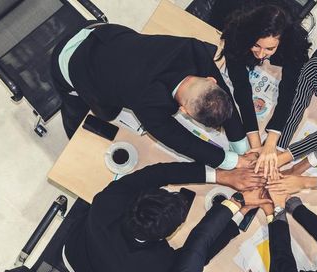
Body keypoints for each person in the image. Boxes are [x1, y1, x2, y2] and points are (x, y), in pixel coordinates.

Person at [50, 23, 254, 170]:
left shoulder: (193, 49)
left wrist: (242, 146)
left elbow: (222, 95)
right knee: (86, 111)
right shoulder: (147, 102)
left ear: (211, 80)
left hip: (102, 31)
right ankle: (72, 136)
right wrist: (231, 161)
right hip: (72, 63)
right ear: (183, 111)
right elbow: (180, 141)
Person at [62, 162, 265, 272]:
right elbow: (199, 252)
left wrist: (222, 176)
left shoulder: (108, 202)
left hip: (73, 248)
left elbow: (156, 174)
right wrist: (242, 209)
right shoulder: (154, 266)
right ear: (163, 236)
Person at [218, 1, 310, 149]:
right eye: (255, 45)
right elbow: (241, 86)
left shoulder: (293, 43)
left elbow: (288, 91)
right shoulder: (238, 31)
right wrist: (255, 144)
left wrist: (271, 143)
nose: (260, 54)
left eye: (269, 48)